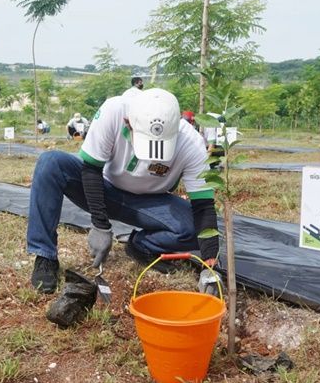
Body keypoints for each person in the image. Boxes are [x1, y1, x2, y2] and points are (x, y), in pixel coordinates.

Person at [27, 88, 219, 293]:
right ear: (129, 123)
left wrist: (210, 269)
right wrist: (100, 225)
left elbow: (204, 207)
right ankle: (45, 255)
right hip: (103, 187)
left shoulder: (192, 144)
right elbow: (90, 169)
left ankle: (141, 246)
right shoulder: (114, 111)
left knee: (194, 229)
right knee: (50, 163)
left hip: (150, 203)